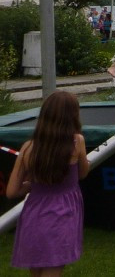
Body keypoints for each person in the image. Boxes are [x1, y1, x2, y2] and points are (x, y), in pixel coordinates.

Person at [8, 90, 90, 275]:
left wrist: (31, 185)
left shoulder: (28, 148)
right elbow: (82, 173)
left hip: (33, 216)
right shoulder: (77, 143)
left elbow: (12, 192)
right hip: (62, 216)